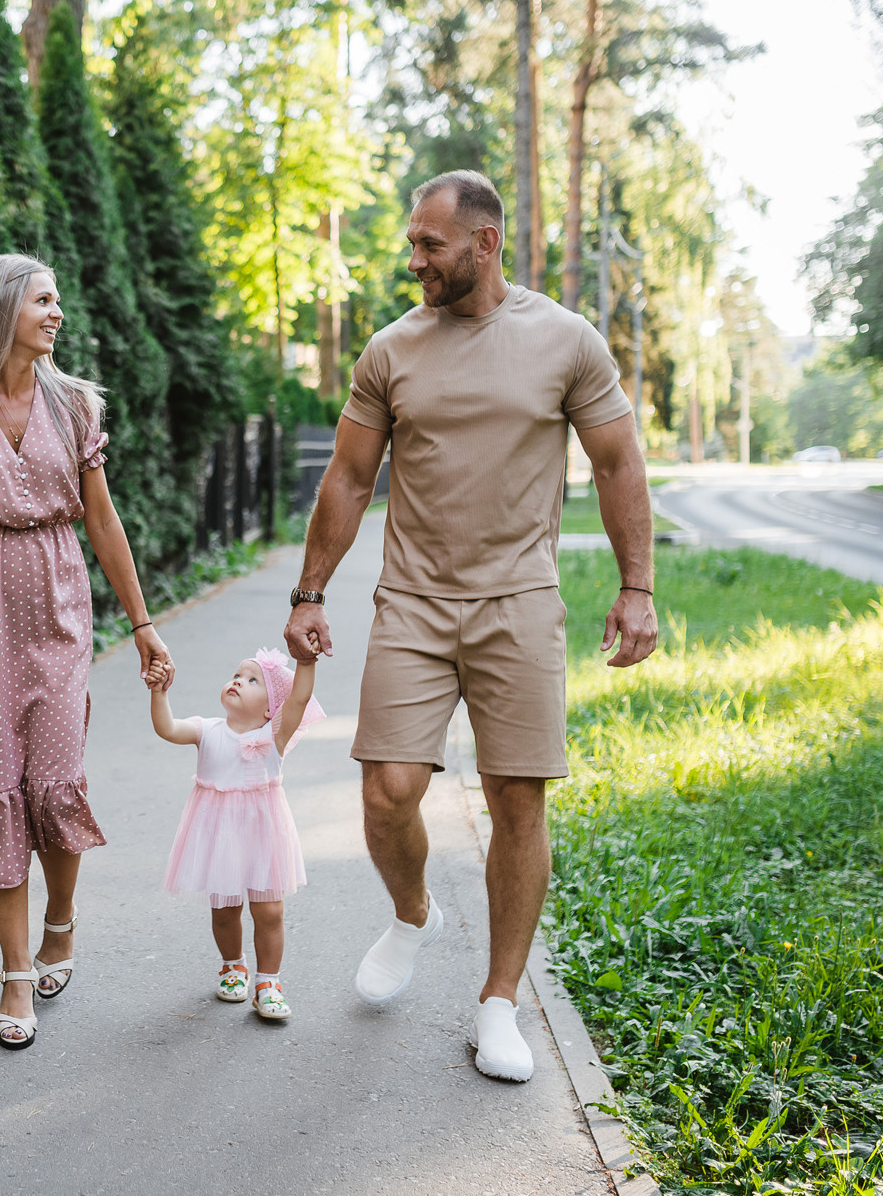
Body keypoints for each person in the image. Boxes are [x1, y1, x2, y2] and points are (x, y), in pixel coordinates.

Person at [283, 170, 659, 1083]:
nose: (414, 260)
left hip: (520, 603)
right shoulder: (391, 350)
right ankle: (413, 912)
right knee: (386, 790)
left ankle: (498, 1002)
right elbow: (347, 476)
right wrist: (309, 591)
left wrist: (637, 586)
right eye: (413, 242)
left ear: (485, 244)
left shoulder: (565, 341)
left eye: (430, 245)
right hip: (412, 600)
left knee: (516, 801)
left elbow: (615, 459)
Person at [0, 253, 174, 1050]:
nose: (58, 313)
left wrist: (141, 621)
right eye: (43, 300)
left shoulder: (75, 406)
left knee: (56, 782)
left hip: (58, 597)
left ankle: (61, 922)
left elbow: (102, 520)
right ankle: (15, 972)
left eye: (58, 299)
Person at [149, 648, 322, 1021]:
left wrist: (306, 662)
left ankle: (268, 983)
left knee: (270, 912)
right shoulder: (207, 729)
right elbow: (167, 728)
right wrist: (159, 693)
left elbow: (301, 696)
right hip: (219, 834)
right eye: (237, 675)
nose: (238, 682)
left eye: (252, 680)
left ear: (269, 709)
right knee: (225, 909)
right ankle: (233, 966)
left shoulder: (273, 735)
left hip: (264, 834)